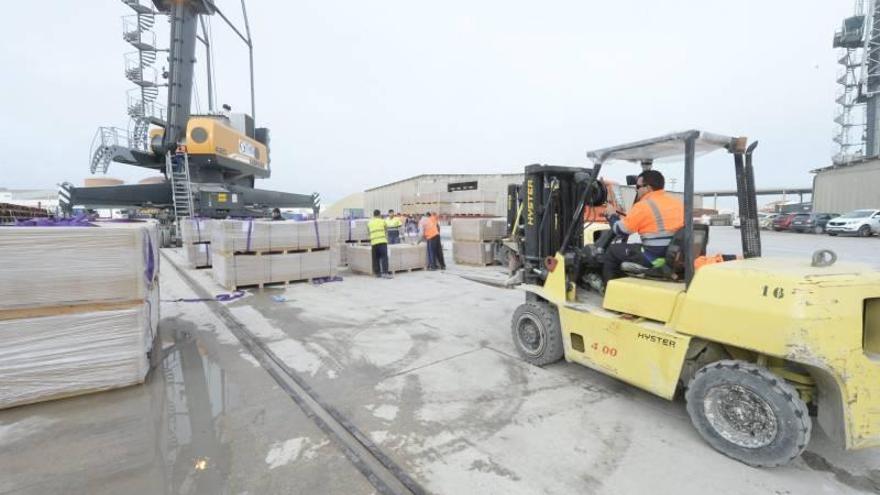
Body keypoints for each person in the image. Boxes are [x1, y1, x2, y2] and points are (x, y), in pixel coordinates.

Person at [602, 170, 683, 284]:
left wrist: (611, 215)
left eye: (638, 186)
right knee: (631, 247)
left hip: (654, 258)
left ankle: (608, 290)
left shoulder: (643, 206)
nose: (636, 189)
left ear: (648, 188)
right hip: (674, 256)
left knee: (612, 251)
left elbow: (620, 231)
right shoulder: (677, 203)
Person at [367, 209, 393, 279]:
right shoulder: (383, 221)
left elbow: (368, 233)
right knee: (384, 257)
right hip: (382, 241)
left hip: (374, 242)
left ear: (373, 215)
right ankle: (385, 273)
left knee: (375, 258)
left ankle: (377, 273)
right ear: (379, 214)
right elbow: (386, 230)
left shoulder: (369, 223)